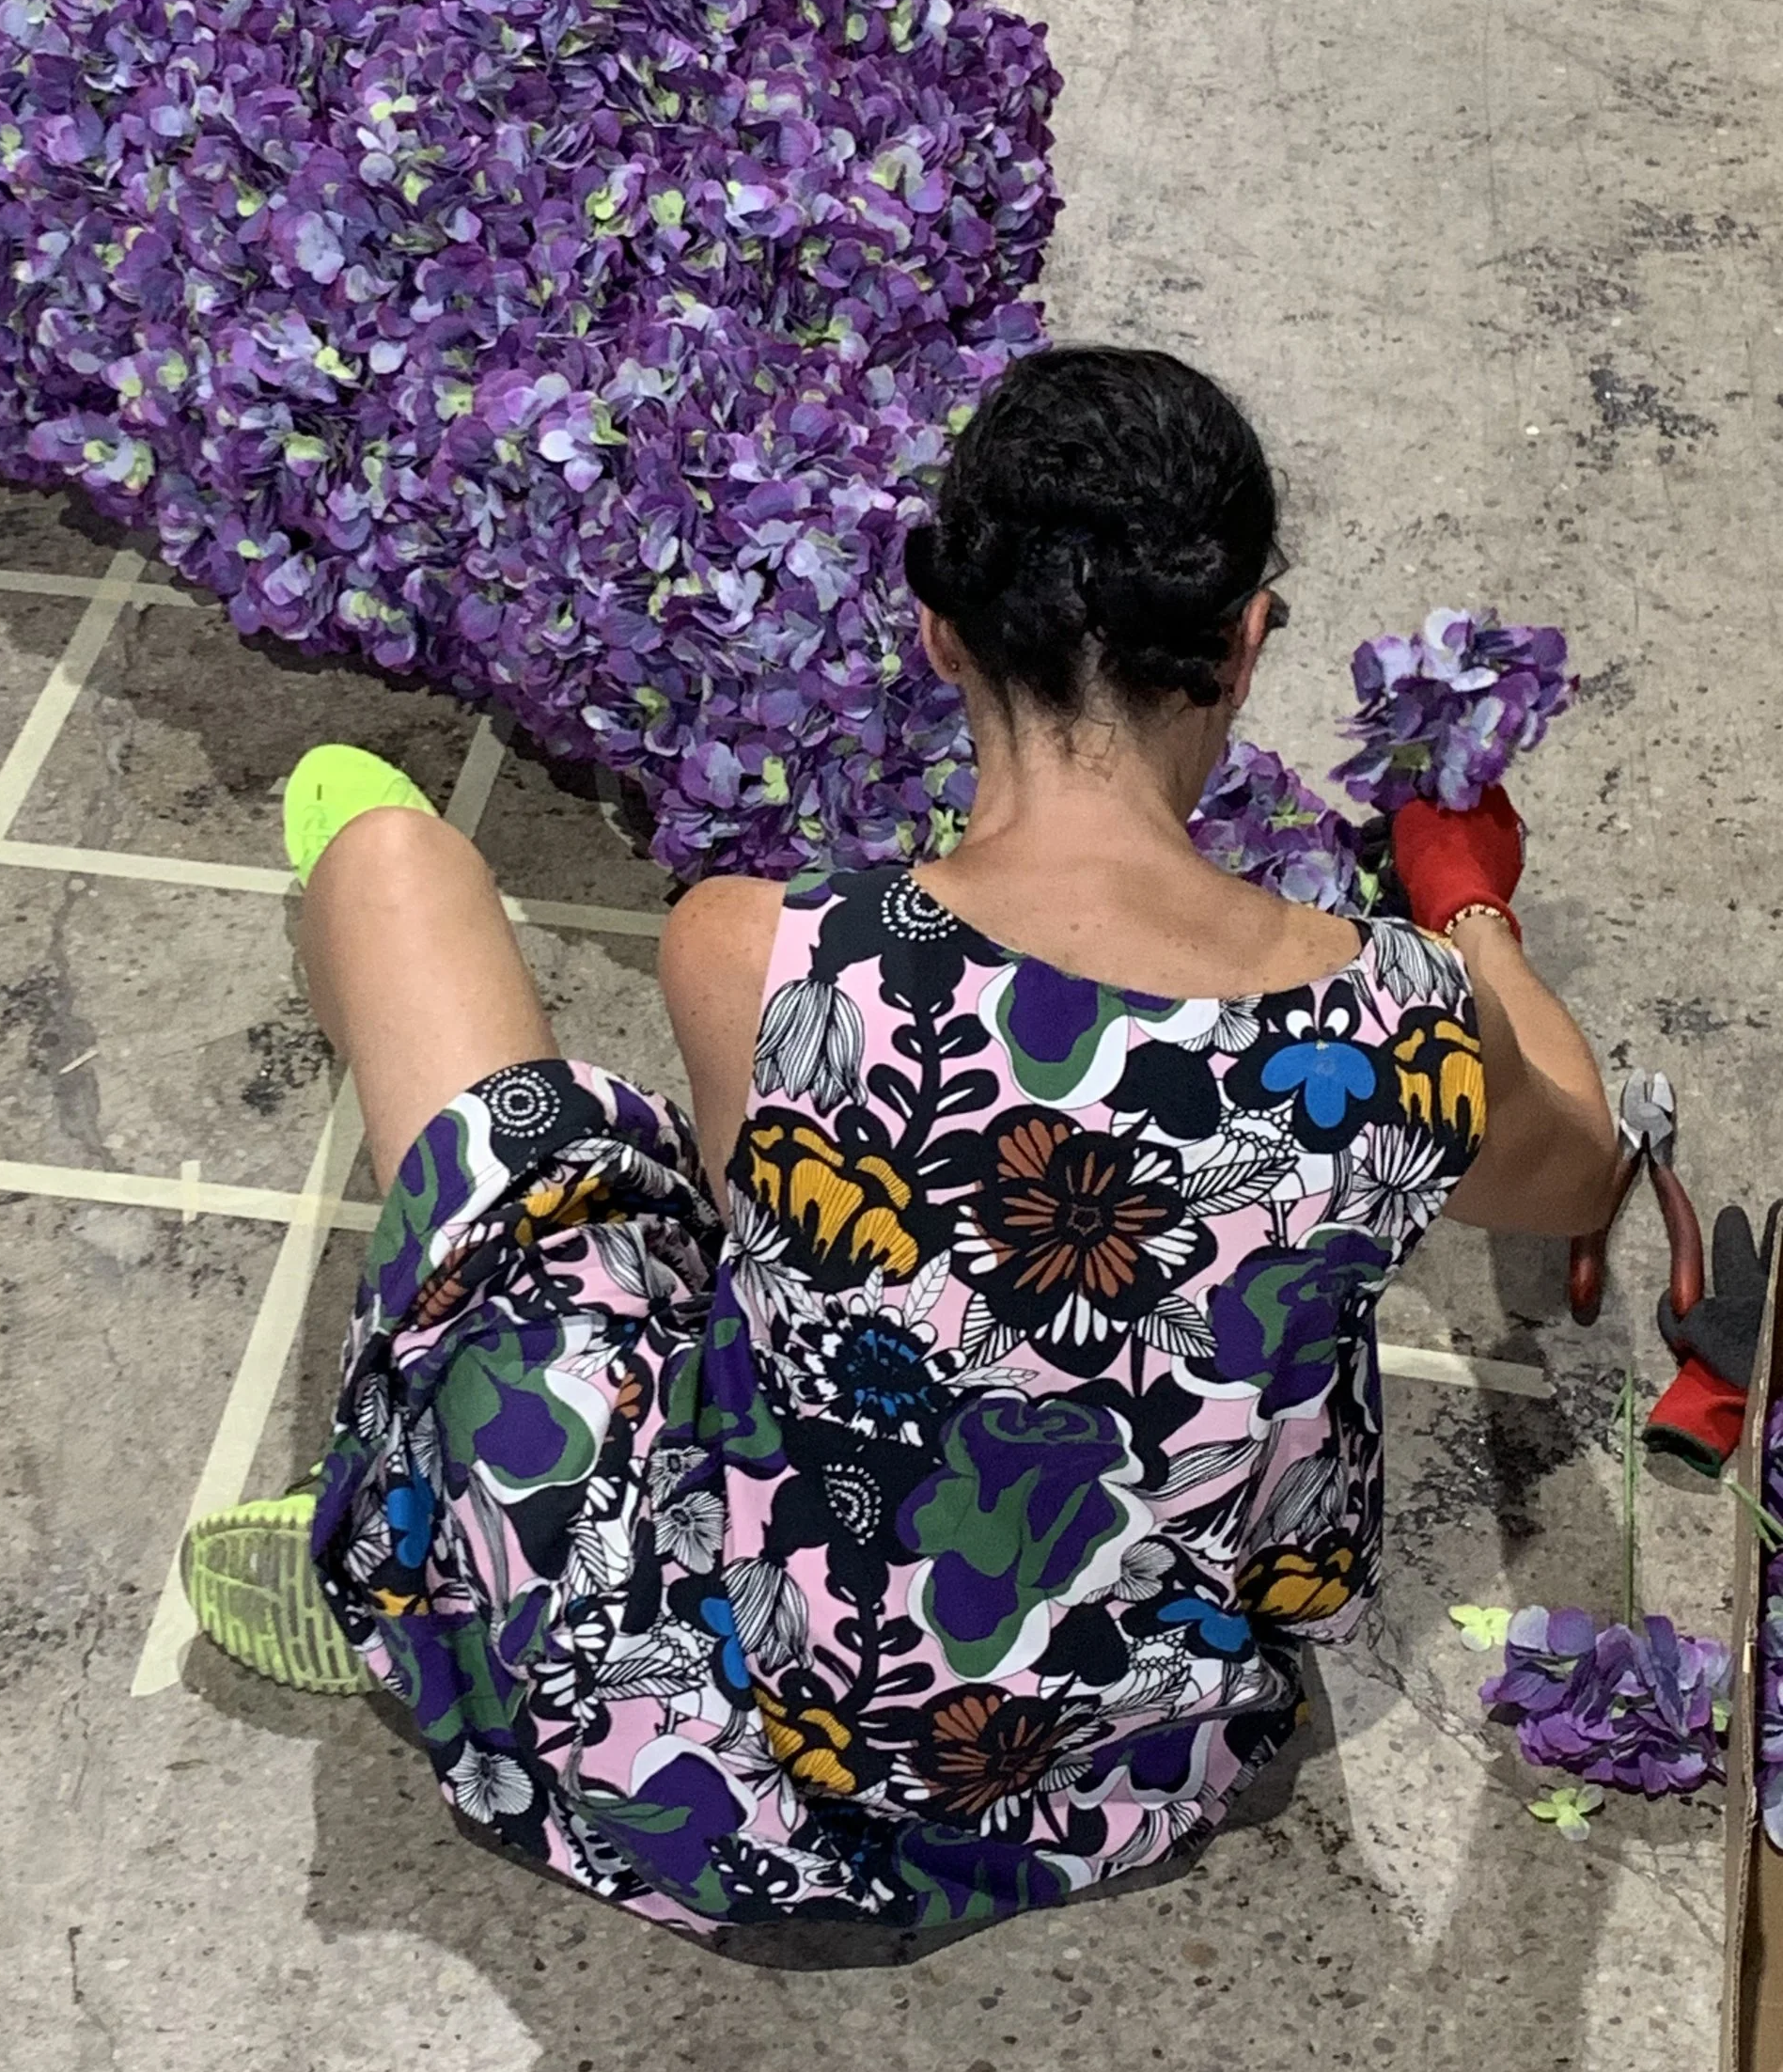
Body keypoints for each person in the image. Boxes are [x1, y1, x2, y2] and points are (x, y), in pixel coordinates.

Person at [184, 345, 1623, 1958]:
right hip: (1111, 1773)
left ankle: (424, 1549)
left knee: (394, 877)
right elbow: (1583, 1168)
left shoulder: (759, 952)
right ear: (1244, 639)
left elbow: (775, 1273)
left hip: (700, 1735)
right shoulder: (1399, 1028)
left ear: (937, 628)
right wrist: (1473, 918)